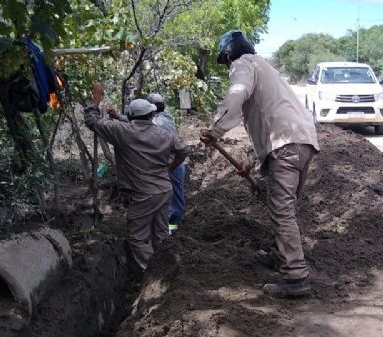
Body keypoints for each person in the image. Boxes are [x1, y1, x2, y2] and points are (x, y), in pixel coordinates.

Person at [199, 30, 319, 298]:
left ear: (229, 55)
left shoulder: (244, 64)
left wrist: (215, 129)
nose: (228, 66)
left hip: (285, 145)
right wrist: (253, 164)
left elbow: (237, 95)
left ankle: (296, 277)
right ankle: (281, 255)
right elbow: (268, 119)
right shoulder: (266, 68)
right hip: (303, 142)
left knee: (282, 211)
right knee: (285, 208)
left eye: (226, 61)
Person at [84, 85, 191, 273]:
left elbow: (92, 121)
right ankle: (167, 269)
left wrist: (96, 98)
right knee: (160, 232)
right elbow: (184, 150)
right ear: (152, 114)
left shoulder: (122, 132)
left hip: (144, 194)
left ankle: (151, 273)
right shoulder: (164, 133)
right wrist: (169, 169)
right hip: (164, 190)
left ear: (132, 117)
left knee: (137, 237)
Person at [146, 93, 186, 234]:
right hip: (170, 165)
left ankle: (171, 230)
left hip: (172, 165)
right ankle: (164, 228)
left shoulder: (159, 122)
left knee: (174, 199)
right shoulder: (163, 118)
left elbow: (141, 126)